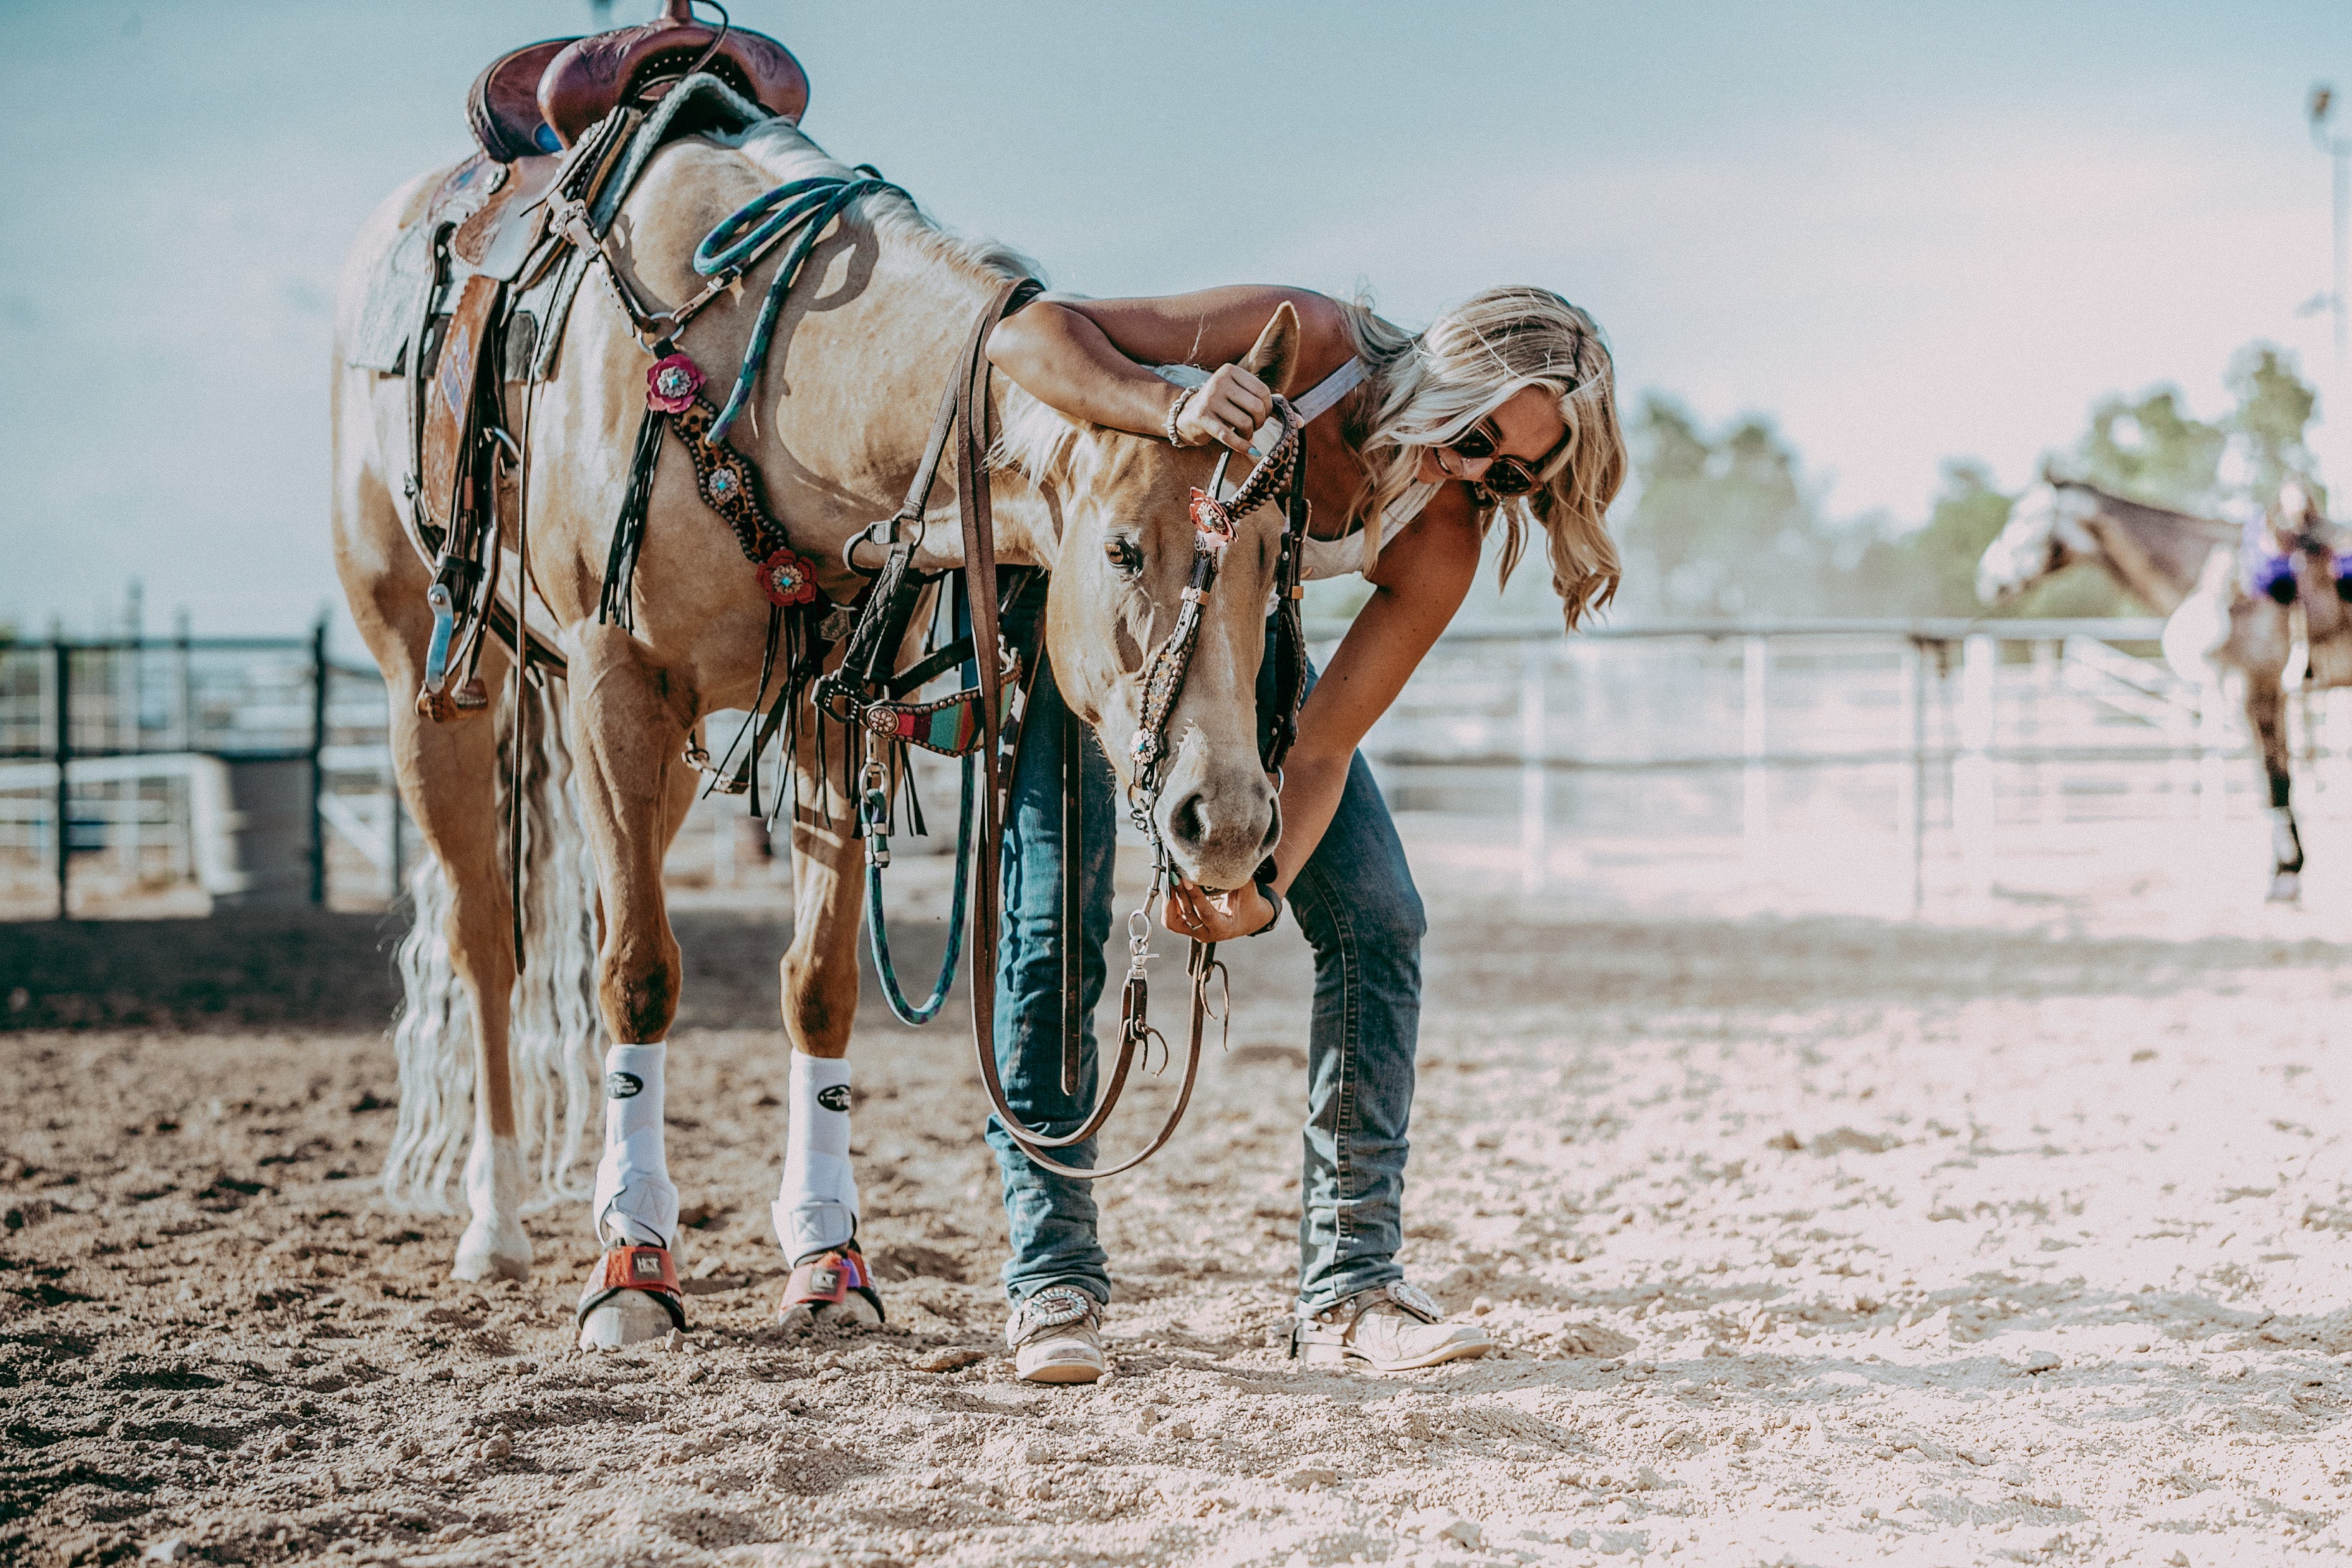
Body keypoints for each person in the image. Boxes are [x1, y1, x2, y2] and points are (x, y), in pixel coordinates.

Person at [981, 284, 1626, 1382]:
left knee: (1379, 916)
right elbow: (1026, 334)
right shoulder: (1313, 341)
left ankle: (1351, 1288)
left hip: (1242, 649)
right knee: (1054, 926)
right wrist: (1168, 410)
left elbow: (1320, 749)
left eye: (1518, 475)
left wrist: (1257, 882)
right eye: (1476, 438)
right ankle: (1053, 1279)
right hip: (1108, 614)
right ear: (1446, 376)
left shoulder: (1444, 540)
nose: (1479, 475)